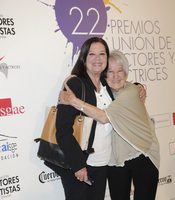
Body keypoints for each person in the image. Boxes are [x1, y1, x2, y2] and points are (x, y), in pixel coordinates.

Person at [44, 38, 146, 200]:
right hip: (81, 165)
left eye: (102, 54)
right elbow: (63, 130)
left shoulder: (107, 84)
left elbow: (123, 86)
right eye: (92, 54)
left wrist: (139, 86)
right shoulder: (76, 84)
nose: (97, 59)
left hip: (103, 164)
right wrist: (78, 165)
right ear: (84, 57)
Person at [59, 50, 160, 200]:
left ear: (126, 73)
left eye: (120, 71)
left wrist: (74, 101)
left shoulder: (131, 91)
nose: (116, 76)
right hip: (116, 160)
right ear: (104, 74)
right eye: (110, 72)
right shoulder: (105, 94)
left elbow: (104, 117)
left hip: (143, 153)